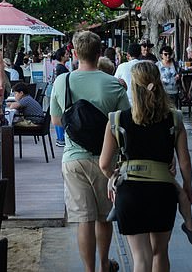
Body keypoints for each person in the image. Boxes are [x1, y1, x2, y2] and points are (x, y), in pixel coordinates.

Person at [100, 61, 192, 272]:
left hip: (130, 192)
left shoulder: (116, 120)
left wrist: (115, 177)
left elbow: (105, 163)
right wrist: (187, 187)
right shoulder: (175, 119)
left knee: (140, 257)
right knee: (160, 252)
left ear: (132, 87)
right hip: (163, 191)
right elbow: (185, 162)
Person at [50, 31, 130, 272]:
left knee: (83, 219)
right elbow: (125, 123)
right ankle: (105, 264)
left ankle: (89, 269)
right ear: (99, 53)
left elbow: (56, 120)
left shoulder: (62, 82)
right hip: (106, 161)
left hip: (74, 159)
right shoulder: (113, 84)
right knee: (104, 217)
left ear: (74, 53)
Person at [52, 47, 70, 147]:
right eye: (66, 54)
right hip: (62, 94)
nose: (68, 55)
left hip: (59, 93)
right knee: (60, 115)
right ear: (62, 56)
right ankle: (61, 138)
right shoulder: (61, 68)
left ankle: (60, 138)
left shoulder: (59, 67)